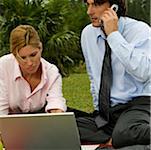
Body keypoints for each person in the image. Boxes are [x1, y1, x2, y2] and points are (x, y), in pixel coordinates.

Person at [75, 0, 151, 149]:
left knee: (123, 132)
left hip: (138, 104)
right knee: (67, 128)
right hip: (108, 112)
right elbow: (94, 77)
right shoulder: (87, 34)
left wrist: (114, 35)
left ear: (113, 7)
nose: (89, 12)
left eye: (95, 5)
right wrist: (99, 111)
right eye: (88, 5)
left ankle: (118, 137)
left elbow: (144, 72)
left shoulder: (140, 31)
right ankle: (114, 139)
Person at [0, 25, 67, 115]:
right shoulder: (3, 66)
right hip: (9, 121)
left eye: (33, 55)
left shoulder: (51, 71)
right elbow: (1, 110)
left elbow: (56, 101)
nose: (29, 63)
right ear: (14, 55)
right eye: (22, 57)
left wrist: (57, 115)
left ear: (40, 48)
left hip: (40, 120)